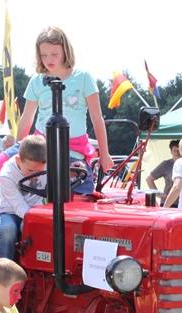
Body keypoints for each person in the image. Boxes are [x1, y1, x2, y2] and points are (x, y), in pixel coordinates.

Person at [16, 26, 114, 193]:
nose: (49, 59)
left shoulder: (83, 77)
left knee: (80, 189)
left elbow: (97, 118)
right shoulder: (36, 80)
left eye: (54, 54)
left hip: (72, 149)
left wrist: (104, 154)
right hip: (41, 147)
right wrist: (19, 149)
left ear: (65, 51)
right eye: (44, 55)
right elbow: (27, 118)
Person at [0, 135, 47, 259]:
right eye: (31, 171)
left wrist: (72, 173)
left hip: (36, 210)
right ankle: (4, 267)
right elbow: (19, 206)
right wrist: (35, 220)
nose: (35, 176)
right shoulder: (7, 175)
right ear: (18, 160)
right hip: (9, 212)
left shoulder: (48, 165)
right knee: (8, 230)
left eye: (40, 172)